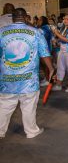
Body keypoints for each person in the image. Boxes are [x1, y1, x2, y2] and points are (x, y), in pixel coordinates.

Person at [0, 8, 54, 139]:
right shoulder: (35, 32)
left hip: (7, 79)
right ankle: (31, 131)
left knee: (5, 106)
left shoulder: (1, 32)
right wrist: (51, 69)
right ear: (25, 17)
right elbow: (44, 53)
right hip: (28, 80)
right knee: (29, 106)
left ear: (13, 18)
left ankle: (0, 131)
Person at [51, 14, 68, 92]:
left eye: (67, 19)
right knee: (60, 67)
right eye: (64, 19)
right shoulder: (64, 27)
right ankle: (59, 85)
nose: (65, 20)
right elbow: (62, 39)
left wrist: (56, 33)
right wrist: (56, 41)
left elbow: (67, 40)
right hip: (62, 50)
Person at [38, 16, 54, 87]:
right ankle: (46, 78)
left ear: (42, 20)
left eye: (39, 20)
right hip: (46, 49)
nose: (38, 21)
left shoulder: (44, 28)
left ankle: (48, 80)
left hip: (45, 49)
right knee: (44, 65)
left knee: (46, 65)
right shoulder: (46, 27)